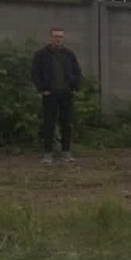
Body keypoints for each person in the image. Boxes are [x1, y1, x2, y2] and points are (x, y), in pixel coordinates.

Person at [30, 27, 83, 164]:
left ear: (63, 38)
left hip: (66, 93)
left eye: (60, 36)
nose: (58, 39)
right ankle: (47, 154)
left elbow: (77, 71)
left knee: (66, 123)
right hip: (50, 94)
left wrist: (75, 87)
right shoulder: (42, 54)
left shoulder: (69, 54)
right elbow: (35, 73)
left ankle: (66, 152)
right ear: (50, 38)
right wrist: (42, 89)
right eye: (55, 36)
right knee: (49, 123)